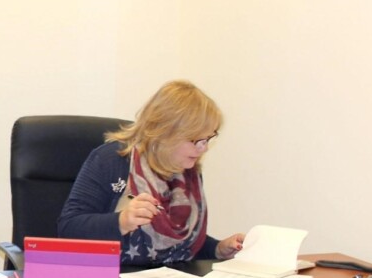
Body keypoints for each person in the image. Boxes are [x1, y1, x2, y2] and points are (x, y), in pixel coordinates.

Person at [57, 80, 245, 265]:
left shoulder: (188, 171)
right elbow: (68, 227)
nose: (203, 149)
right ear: (165, 132)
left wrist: (218, 249)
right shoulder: (112, 160)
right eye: (197, 140)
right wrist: (121, 221)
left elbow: (184, 243)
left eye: (208, 139)